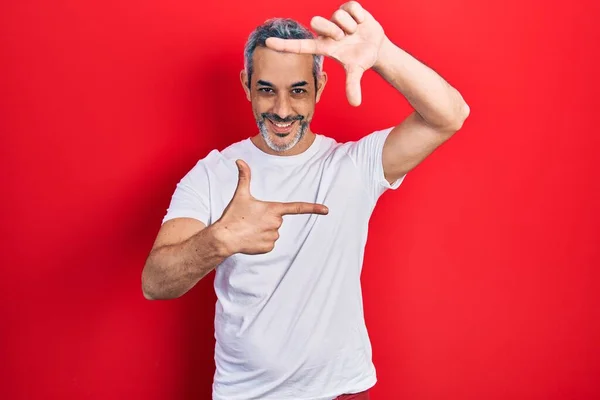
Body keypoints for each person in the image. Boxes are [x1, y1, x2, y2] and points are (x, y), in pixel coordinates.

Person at [141, 2, 469, 399]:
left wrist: (382, 54)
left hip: (342, 392)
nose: (282, 111)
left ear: (320, 87)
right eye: (266, 90)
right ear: (246, 84)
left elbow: (449, 115)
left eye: (298, 91)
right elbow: (155, 282)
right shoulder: (213, 174)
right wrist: (220, 240)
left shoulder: (353, 165)